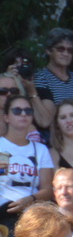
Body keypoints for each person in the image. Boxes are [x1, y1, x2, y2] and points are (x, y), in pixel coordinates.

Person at [1, 91, 54, 222]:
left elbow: (47, 190)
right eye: (17, 111)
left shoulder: (41, 149)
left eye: (28, 111)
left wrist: (30, 200)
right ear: (6, 117)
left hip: (32, 212)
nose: (23, 114)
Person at [27, 28, 73, 128]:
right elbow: (47, 118)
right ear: (49, 50)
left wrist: (62, 112)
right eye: (60, 49)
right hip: (58, 139)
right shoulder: (40, 78)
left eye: (70, 50)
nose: (66, 54)